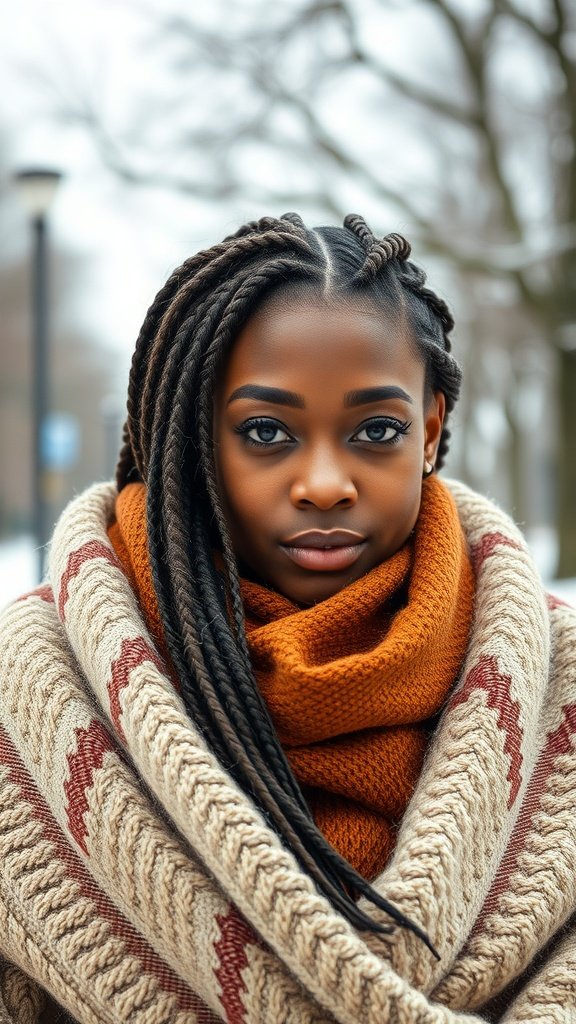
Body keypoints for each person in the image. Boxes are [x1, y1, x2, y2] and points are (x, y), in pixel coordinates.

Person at [0, 213, 574, 1024]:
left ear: (432, 429)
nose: (325, 483)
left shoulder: (563, 684)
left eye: (377, 431)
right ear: (195, 440)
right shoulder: (31, 697)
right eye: (266, 432)